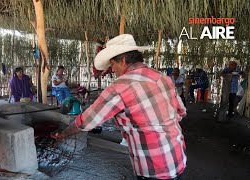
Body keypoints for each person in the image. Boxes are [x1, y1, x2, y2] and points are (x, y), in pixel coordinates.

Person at [51, 34, 187, 180]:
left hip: (153, 166)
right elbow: (181, 111)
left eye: (112, 65)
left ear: (122, 60)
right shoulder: (161, 77)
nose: (112, 70)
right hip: (177, 155)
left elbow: (88, 120)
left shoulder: (120, 86)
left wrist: (64, 134)